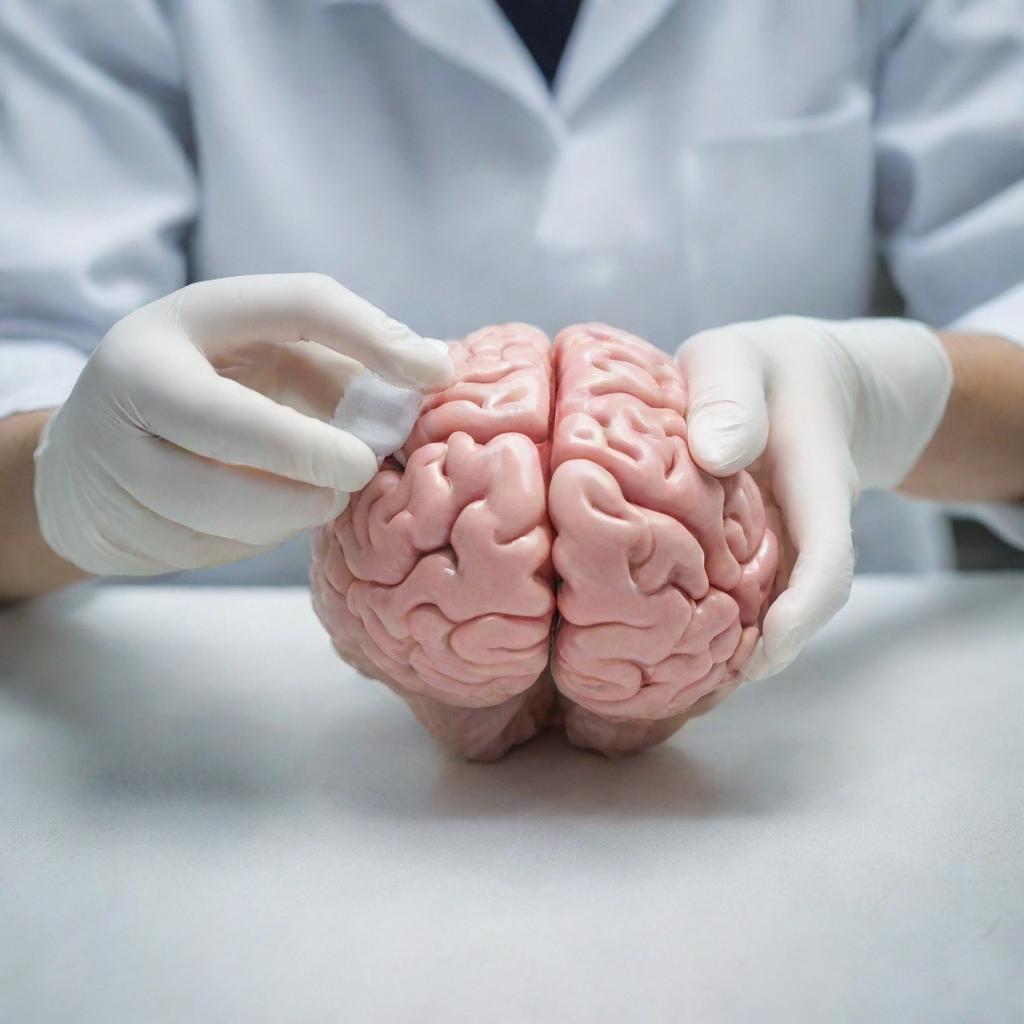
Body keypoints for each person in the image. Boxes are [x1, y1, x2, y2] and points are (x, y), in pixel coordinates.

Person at [1, 1, 1022, 679]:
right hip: (236, 734)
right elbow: (24, 343)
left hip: (828, 703)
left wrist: (902, 400)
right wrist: (67, 481)